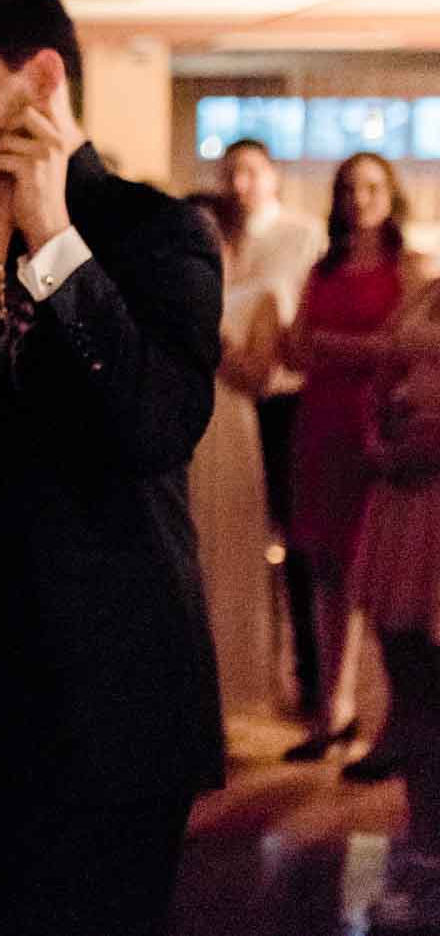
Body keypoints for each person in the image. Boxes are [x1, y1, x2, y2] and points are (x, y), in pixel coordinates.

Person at [0, 0, 224, 936]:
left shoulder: (158, 232)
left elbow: (155, 427)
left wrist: (50, 234)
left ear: (41, 78)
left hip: (116, 691)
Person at [281, 152, 428, 762]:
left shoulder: (411, 267)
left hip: (377, 426)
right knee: (324, 570)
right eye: (349, 188)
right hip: (321, 425)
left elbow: (408, 348)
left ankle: (391, 722)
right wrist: (320, 348)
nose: (360, 198)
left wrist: (332, 348)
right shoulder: (324, 267)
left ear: (391, 194)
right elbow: (295, 347)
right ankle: (331, 711)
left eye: (372, 186)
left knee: (380, 575)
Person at [218, 138, 326, 720]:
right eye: (232, 172)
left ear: (273, 175)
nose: (241, 183)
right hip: (226, 398)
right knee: (232, 536)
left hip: (282, 396)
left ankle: (310, 678)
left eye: (252, 171)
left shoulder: (302, 233)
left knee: (297, 541)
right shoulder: (222, 236)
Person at [351, 277, 440, 928]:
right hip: (405, 508)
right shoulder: (426, 290)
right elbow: (381, 370)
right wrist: (378, 433)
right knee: (412, 688)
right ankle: (426, 853)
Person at [185, 192, 279, 717]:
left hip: (231, 432)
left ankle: (225, 700)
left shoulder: (257, 296)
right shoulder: (165, 293)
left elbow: (258, 376)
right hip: (182, 436)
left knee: (229, 558)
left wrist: (205, 330)